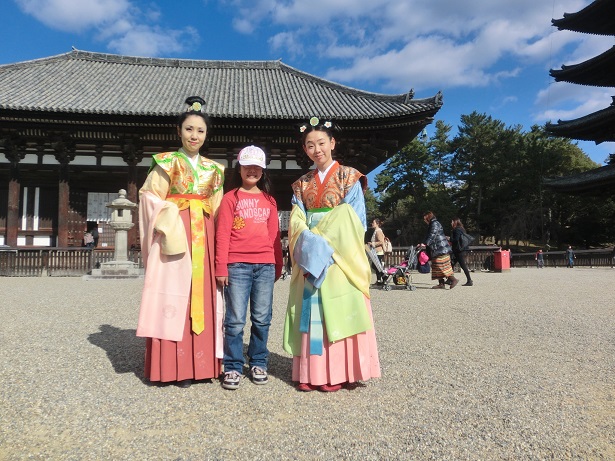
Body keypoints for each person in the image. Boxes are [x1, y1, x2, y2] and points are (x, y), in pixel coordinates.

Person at [283, 117, 380, 392]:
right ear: (305, 149)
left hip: (339, 256)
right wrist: (309, 242)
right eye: (310, 145)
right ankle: (312, 372)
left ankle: (341, 372)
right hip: (311, 252)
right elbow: (296, 219)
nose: (317, 150)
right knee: (312, 308)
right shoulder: (301, 184)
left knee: (340, 308)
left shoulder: (349, 177)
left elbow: (355, 219)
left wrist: (322, 240)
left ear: (333, 143)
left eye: (322, 143)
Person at [136, 96, 225, 386]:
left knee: (204, 294)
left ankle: (204, 366)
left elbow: (218, 209)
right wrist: (171, 214)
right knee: (174, 295)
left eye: (200, 130)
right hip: (175, 234)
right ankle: (174, 368)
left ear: (206, 135)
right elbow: (149, 197)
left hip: (205, 236)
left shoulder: (214, 169)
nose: (194, 136)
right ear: (179, 131)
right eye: (189, 129)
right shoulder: (166, 163)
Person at [215, 146, 283, 390]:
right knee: (234, 320)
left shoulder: (269, 201)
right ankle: (233, 365)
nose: (252, 171)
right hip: (237, 265)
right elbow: (222, 234)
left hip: (265, 264)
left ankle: (258, 361)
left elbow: (274, 236)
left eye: (257, 167)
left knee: (262, 318)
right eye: (247, 166)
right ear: (240, 169)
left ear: (263, 171)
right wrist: (221, 266)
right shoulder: (230, 198)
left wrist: (278, 263)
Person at [420, 211, 459, 289]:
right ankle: (441, 283)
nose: (424, 220)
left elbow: (432, 235)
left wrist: (426, 243)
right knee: (435, 266)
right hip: (436, 248)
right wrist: (422, 243)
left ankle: (453, 279)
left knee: (441, 265)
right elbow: (428, 236)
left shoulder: (435, 224)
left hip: (440, 248)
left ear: (428, 217)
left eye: (425, 218)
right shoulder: (432, 224)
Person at [450, 217, 473, 286]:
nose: (451, 223)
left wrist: (449, 239)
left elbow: (456, 240)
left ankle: (469, 280)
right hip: (462, 249)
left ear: (455, 222)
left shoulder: (456, 230)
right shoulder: (462, 229)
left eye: (452, 222)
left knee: (463, 265)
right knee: (451, 264)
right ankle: (449, 279)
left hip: (459, 250)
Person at [368, 218, 386, 284]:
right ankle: (379, 280)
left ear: (377, 224)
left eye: (373, 223)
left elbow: (381, 241)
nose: (372, 224)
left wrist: (372, 243)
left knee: (376, 266)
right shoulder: (376, 231)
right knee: (376, 266)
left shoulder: (378, 231)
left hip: (379, 251)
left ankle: (384, 276)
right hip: (376, 251)